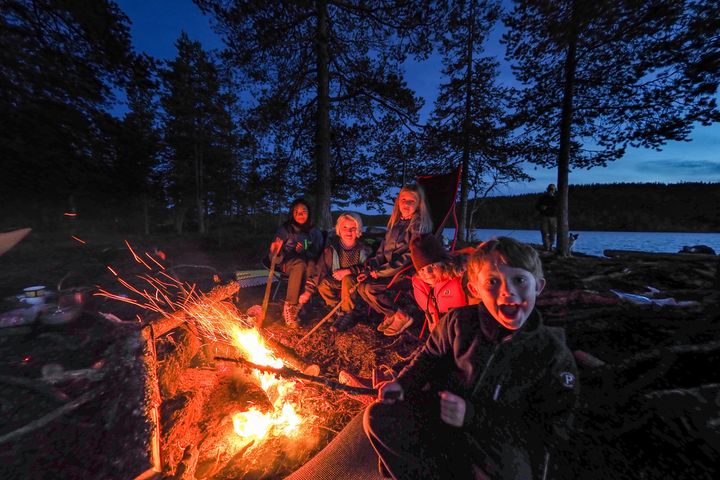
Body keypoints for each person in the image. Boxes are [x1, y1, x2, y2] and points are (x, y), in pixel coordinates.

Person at [363, 237, 579, 479]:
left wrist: (473, 416)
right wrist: (401, 385)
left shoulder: (551, 352)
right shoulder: (458, 322)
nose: (507, 291)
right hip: (443, 424)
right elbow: (428, 359)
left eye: (519, 280)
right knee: (378, 416)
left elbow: (551, 429)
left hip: (496, 445)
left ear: (538, 286)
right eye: (493, 282)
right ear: (475, 289)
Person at [356, 184, 433, 336]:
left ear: (419, 205)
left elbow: (409, 256)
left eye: (411, 201)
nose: (406, 204)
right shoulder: (395, 224)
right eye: (403, 200)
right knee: (361, 287)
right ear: (398, 202)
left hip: (406, 272)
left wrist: (382, 271)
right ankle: (392, 314)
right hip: (387, 270)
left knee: (371, 288)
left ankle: (402, 316)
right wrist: (370, 268)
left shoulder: (418, 226)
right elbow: (382, 251)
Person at [299, 213, 371, 332]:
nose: (348, 232)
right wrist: (308, 290)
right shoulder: (332, 249)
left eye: (353, 228)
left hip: (356, 282)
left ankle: (348, 312)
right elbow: (319, 269)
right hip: (337, 282)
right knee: (323, 284)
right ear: (339, 230)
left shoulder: (364, 248)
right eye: (345, 228)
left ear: (358, 230)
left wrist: (348, 271)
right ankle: (337, 308)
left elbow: (368, 267)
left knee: (348, 278)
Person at [268, 198, 324, 327]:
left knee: (309, 265)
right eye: (296, 212)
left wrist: (306, 250)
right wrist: (275, 251)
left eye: (303, 211)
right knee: (300, 263)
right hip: (287, 263)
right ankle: (290, 305)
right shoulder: (285, 229)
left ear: (309, 213)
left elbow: (318, 253)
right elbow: (274, 258)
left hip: (307, 263)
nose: (300, 215)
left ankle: (300, 305)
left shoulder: (314, 232)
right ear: (292, 214)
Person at [409, 233, 468, 334]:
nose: (427, 273)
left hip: (463, 331)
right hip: (440, 333)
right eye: (421, 269)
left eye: (432, 266)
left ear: (443, 263)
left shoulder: (462, 278)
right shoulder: (420, 284)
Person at [535, 183, 558, 251]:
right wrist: (541, 208)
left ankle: (551, 246)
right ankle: (546, 247)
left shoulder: (556, 198)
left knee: (553, 233)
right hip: (544, 217)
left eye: (552, 189)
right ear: (547, 189)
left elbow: (559, 207)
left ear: (554, 190)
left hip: (553, 217)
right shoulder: (542, 197)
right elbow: (536, 206)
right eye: (550, 189)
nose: (551, 190)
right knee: (544, 232)